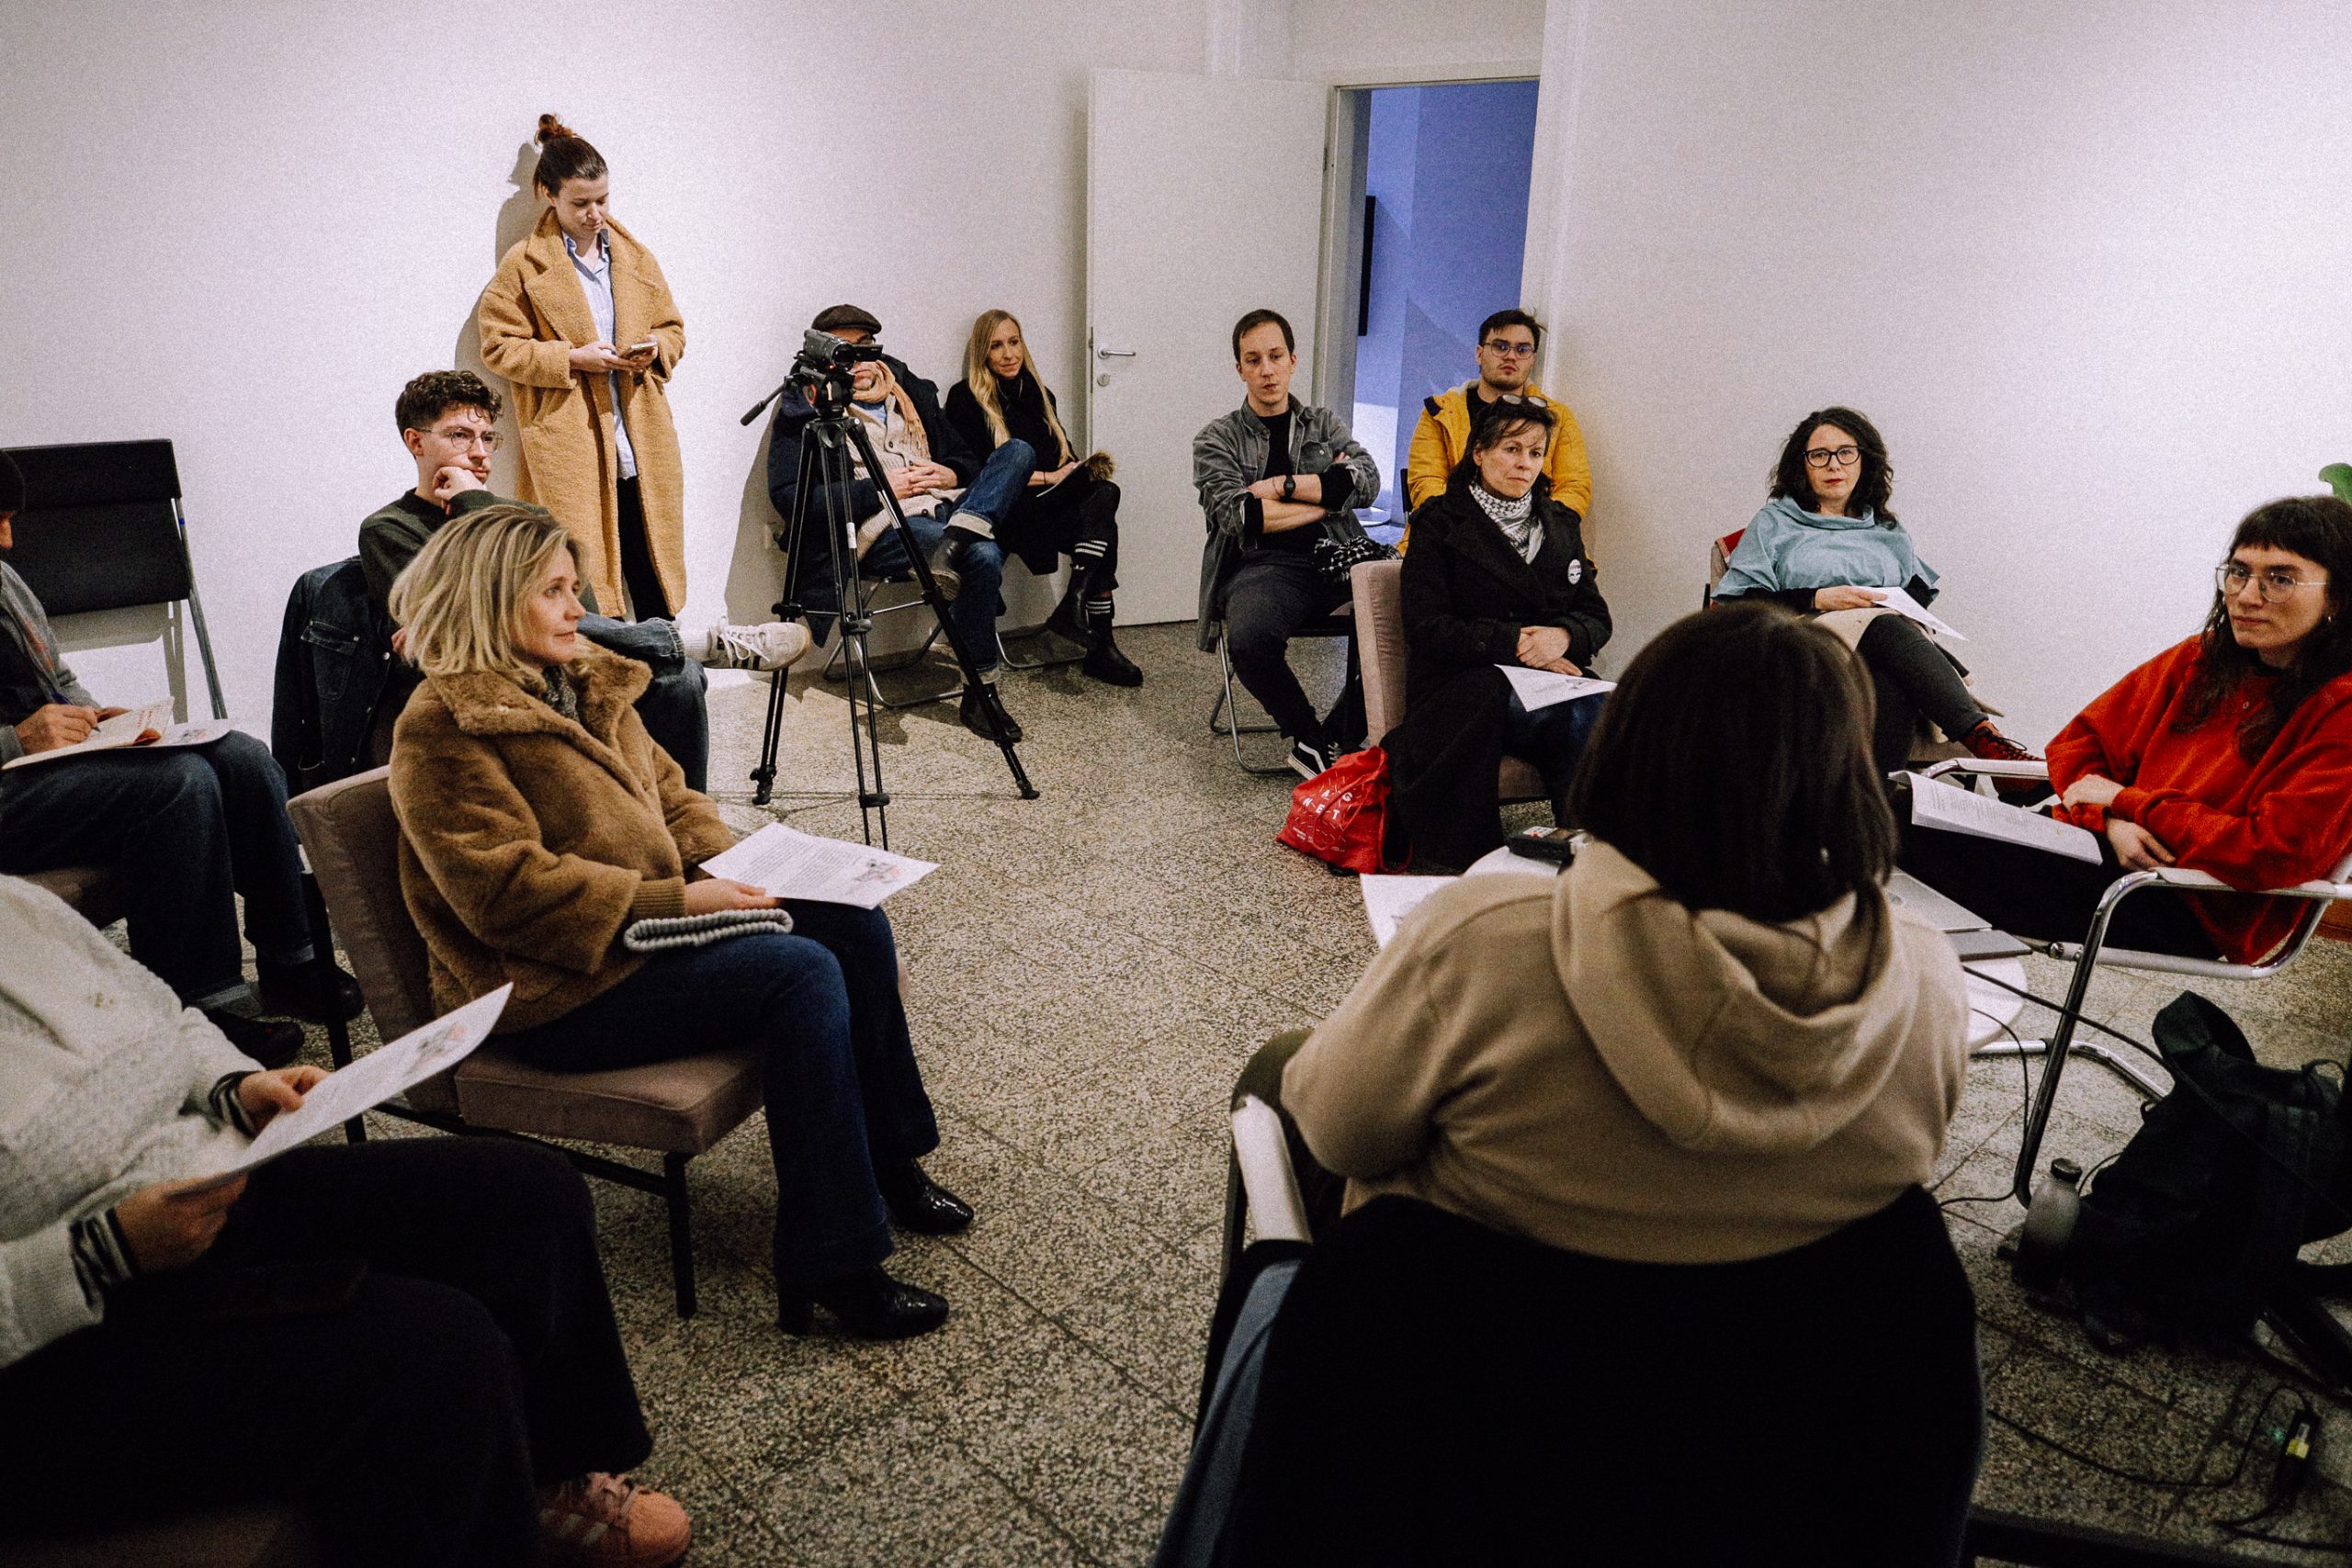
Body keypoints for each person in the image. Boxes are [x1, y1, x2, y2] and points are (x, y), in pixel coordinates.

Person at [386, 505, 969, 1340]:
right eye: (553, 592)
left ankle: (887, 1158)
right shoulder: (442, 726)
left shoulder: (585, 679)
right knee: (800, 972)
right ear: (488, 599)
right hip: (552, 989)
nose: (577, 608)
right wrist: (678, 900)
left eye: (573, 587)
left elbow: (674, 796)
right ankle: (833, 1259)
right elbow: (504, 894)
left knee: (852, 923)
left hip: (638, 939)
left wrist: (733, 866)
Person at [0, 872, 691, 1568]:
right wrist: (97, 1252)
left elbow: (167, 1018)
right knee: (438, 1351)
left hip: (195, 1189)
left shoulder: (15, 902)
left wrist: (233, 1086)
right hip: (57, 1333)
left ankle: (543, 1476)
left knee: (528, 1196)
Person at [0, 450, 355, 1064]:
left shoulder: (4, 579)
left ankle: (290, 959)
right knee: (175, 784)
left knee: (241, 758)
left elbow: (56, 677)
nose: (8, 538)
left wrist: (98, 720)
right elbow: (25, 729)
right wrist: (17, 739)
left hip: (38, 774)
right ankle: (199, 1009)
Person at [1902, 495, 2352, 964]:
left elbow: (2270, 852)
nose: (2246, 595)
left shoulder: (2341, 708)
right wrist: (2111, 820)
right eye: (2239, 572)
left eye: (2280, 579)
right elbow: (2079, 746)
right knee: (1892, 809)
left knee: (1885, 834)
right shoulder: (2203, 657)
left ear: (2338, 597)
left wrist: (2125, 802)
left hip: (2181, 896)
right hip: (2101, 845)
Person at [359, 370, 808, 793]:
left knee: (681, 677)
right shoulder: (389, 528)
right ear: (416, 441)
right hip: (485, 676)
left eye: (488, 437)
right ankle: (687, 641)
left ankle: (683, 825)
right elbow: (445, 630)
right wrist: (474, 506)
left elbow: (581, 614)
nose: (479, 453)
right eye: (460, 436)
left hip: (564, 658)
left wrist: (483, 519)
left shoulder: (529, 517)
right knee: (520, 610)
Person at [1713, 406, 2035, 775]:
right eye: (1819, 455)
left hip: (1878, 655)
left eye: (1845, 453)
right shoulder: (1774, 522)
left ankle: (1874, 797)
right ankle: (1987, 742)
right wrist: (1819, 598)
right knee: (1884, 626)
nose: (1834, 465)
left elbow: (1918, 593)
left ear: (1864, 460)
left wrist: (1885, 602)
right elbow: (1742, 603)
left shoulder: (1886, 529)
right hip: (1803, 649)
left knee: (1892, 676)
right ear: (1802, 465)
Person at [766, 304, 1037, 742]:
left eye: (866, 347)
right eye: (846, 350)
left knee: (1018, 452)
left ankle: (957, 541)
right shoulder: (808, 406)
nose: (859, 359)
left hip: (947, 508)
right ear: (823, 356)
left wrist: (950, 473)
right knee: (983, 555)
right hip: (882, 524)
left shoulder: (909, 391)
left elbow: (966, 460)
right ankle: (982, 691)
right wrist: (879, 488)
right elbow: (790, 499)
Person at [1384, 400, 1611, 870]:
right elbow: (1427, 627)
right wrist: (1519, 644)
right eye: (1512, 449)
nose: (1524, 463)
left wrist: (1563, 637)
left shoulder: (1560, 524)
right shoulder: (1438, 522)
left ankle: (1594, 849)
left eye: (1535, 452)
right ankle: (1567, 855)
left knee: (1606, 706)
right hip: (1462, 687)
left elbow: (1595, 616)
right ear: (1480, 452)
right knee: (1574, 711)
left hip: (1545, 679)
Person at [478, 114, 688, 620]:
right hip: (571, 442)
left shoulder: (636, 258)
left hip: (640, 436)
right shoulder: (525, 264)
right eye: (580, 203)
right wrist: (571, 358)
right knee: (584, 576)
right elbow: (498, 346)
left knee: (653, 569)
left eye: (603, 200)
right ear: (548, 195)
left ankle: (664, 665)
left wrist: (656, 348)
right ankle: (599, 666)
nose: (595, 214)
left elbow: (673, 328)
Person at [1193, 309, 1384, 779]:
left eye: (1276, 356)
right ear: (1240, 369)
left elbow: (1367, 482)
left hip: (1341, 554)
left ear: (1293, 360)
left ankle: (1339, 734)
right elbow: (1241, 516)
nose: (1267, 370)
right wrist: (1327, 495)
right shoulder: (1216, 439)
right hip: (1265, 565)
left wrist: (1283, 487)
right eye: (1253, 360)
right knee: (1250, 638)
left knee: (1418, 617)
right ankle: (1308, 735)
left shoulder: (1324, 424)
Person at [944, 309, 1141, 687]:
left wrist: (1075, 470)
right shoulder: (966, 397)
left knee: (1104, 497)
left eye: (1014, 342)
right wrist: (1053, 477)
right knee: (1102, 526)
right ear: (982, 353)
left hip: (1048, 505)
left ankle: (1076, 606)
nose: (1008, 354)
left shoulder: (1039, 393)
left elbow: (1064, 457)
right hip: (1008, 513)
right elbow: (982, 474)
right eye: (996, 346)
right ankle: (1096, 639)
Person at [1399, 308, 1591, 543]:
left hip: (1535, 539)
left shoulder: (1557, 418)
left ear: (1532, 359)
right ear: (1479, 354)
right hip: (1449, 537)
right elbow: (1426, 482)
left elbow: (1574, 487)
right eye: (1500, 346)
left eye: (1522, 350)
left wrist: (1537, 530)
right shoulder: (1440, 413)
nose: (1511, 356)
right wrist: (1472, 529)